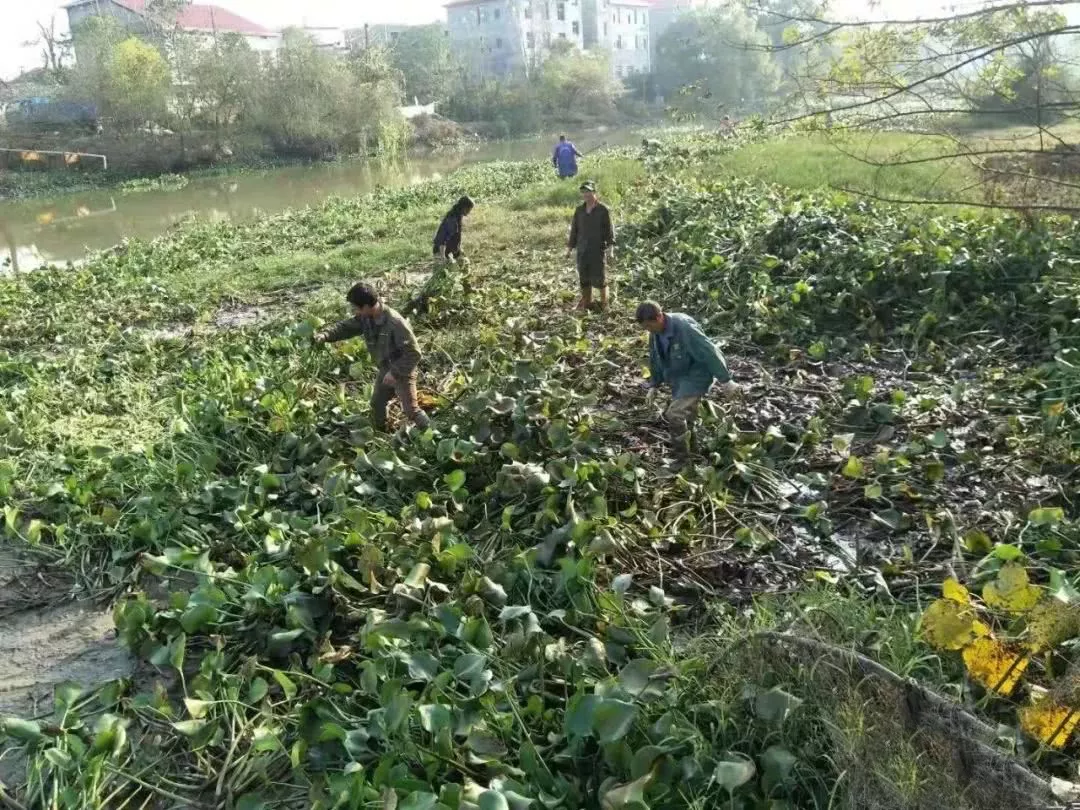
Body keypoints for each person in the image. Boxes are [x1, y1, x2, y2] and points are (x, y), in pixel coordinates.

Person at [315, 282, 431, 432]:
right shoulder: (365, 317)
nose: (355, 311)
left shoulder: (395, 323)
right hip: (385, 369)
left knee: (411, 411)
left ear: (367, 306)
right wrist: (325, 335)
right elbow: (346, 327)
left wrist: (394, 372)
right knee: (377, 404)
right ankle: (381, 432)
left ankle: (432, 434)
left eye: (356, 308)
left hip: (402, 371)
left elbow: (414, 353)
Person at [635, 301, 739, 463]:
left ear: (659, 317)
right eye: (645, 328)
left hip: (697, 375)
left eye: (650, 326)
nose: (648, 330)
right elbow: (655, 359)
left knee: (674, 414)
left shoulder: (684, 328)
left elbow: (709, 351)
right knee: (687, 417)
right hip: (679, 377)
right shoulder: (654, 333)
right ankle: (694, 454)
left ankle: (682, 459)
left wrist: (726, 380)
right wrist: (654, 385)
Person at [567, 181, 614, 311]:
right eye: (584, 192)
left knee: (600, 278)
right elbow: (574, 230)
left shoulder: (603, 210)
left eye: (588, 191)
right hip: (582, 249)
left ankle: (605, 304)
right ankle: (588, 303)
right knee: (584, 277)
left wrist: (611, 248)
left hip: (597, 249)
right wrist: (570, 247)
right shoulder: (579, 210)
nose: (586, 194)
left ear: (594, 192)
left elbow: (609, 230)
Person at [433, 195, 474, 264]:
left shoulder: (458, 215)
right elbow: (442, 240)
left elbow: (455, 238)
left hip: (451, 251)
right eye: (469, 209)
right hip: (441, 251)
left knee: (465, 264)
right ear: (464, 207)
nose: (469, 212)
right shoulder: (452, 220)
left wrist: (459, 250)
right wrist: (443, 258)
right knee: (450, 269)